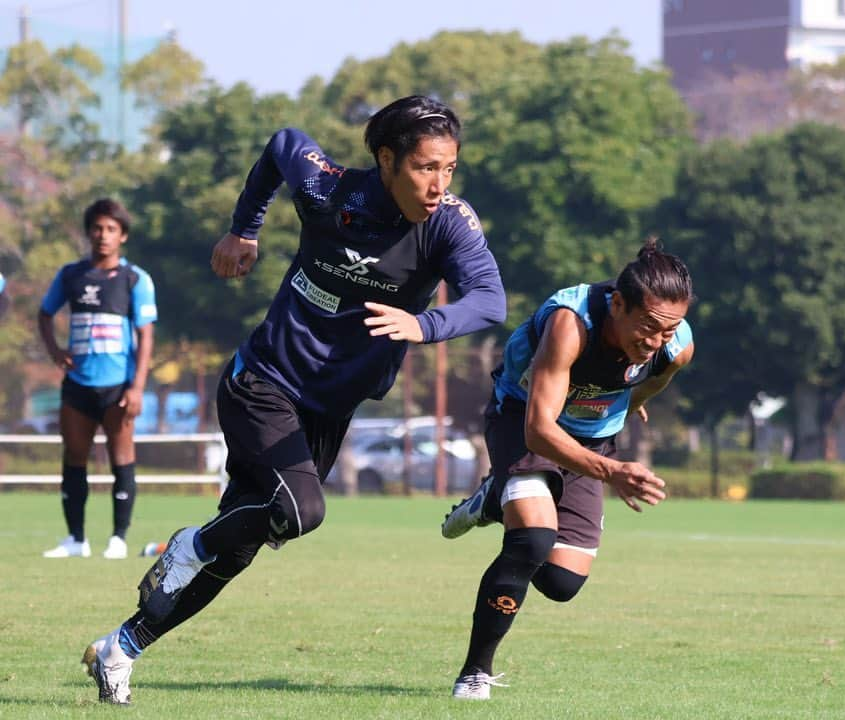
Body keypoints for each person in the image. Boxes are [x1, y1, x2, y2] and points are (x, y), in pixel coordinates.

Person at [81, 95, 506, 705]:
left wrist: (426, 325)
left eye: (449, 169)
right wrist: (243, 229)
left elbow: (489, 299)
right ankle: (188, 545)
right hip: (263, 381)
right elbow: (284, 143)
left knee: (244, 543)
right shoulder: (332, 190)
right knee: (303, 513)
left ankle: (122, 648)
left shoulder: (448, 224)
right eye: (424, 167)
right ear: (386, 160)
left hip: (329, 409)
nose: (438, 184)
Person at [440, 238, 694, 700]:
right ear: (618, 303)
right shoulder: (570, 325)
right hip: (524, 420)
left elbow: (653, 379)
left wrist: (628, 404)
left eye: (669, 329)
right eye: (649, 327)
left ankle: (496, 498)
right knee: (531, 540)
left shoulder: (675, 346)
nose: (656, 341)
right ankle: (475, 672)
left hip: (589, 439)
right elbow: (539, 431)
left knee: (560, 582)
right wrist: (611, 472)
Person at [39, 198, 157, 561]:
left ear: (122, 236)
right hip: (78, 386)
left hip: (117, 388)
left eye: (111, 229)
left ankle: (118, 539)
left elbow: (146, 336)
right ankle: (76, 539)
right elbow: (44, 315)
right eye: (97, 228)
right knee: (74, 457)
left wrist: (137, 387)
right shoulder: (71, 275)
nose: (102, 236)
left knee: (121, 458)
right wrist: (56, 352)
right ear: (88, 232)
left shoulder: (135, 279)